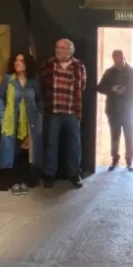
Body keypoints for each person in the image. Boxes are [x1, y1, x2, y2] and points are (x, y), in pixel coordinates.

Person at [40, 38, 86, 188]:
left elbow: (82, 86)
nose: (58, 50)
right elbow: (42, 83)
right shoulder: (49, 64)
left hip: (72, 112)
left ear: (70, 51)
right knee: (51, 143)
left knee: (74, 145)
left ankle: (74, 174)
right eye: (57, 47)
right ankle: (49, 174)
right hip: (53, 111)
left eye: (62, 48)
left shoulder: (78, 66)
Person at [0, 52, 44, 195]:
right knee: (13, 150)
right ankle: (14, 181)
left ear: (27, 64)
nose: (18, 63)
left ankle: (24, 180)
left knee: (26, 151)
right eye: (16, 60)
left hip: (30, 122)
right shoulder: (8, 79)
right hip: (11, 121)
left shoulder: (34, 80)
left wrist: (40, 115)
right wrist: (2, 114)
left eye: (21, 61)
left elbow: (40, 99)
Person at [97, 49, 133, 172]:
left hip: (129, 110)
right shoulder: (109, 72)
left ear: (124, 57)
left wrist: (126, 91)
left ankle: (130, 160)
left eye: (121, 59)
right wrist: (112, 89)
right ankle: (115, 159)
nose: (119, 61)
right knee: (114, 136)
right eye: (117, 59)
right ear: (113, 59)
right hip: (113, 110)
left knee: (129, 135)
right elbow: (100, 87)